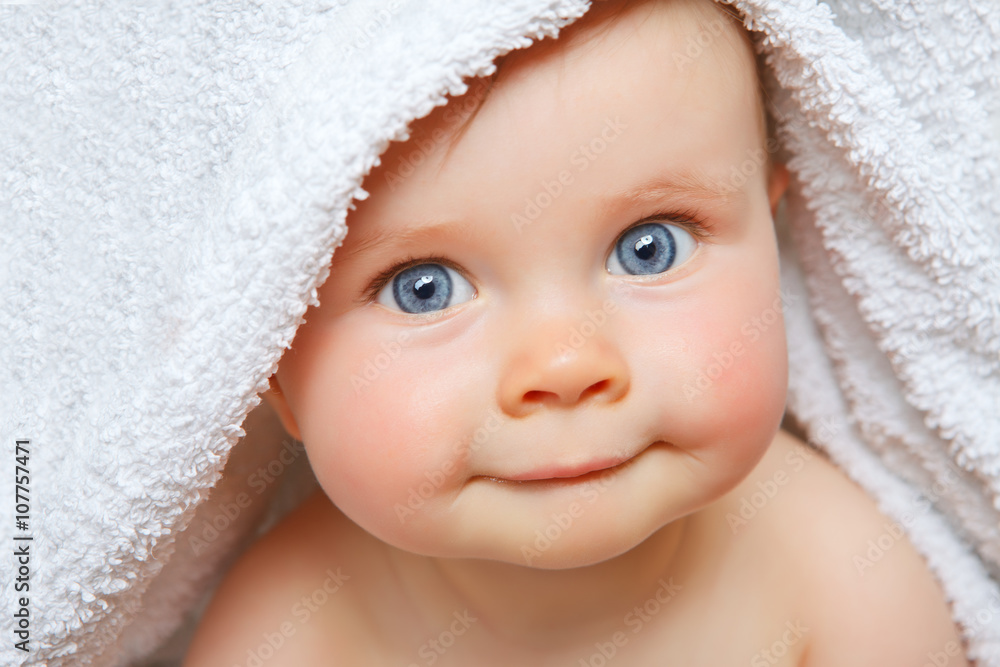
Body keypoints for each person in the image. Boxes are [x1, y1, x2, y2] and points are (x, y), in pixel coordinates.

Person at [184, 0, 969, 663]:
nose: (564, 364)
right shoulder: (290, 632)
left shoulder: (840, 580)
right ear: (276, 369)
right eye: (423, 289)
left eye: (649, 247)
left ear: (774, 234)